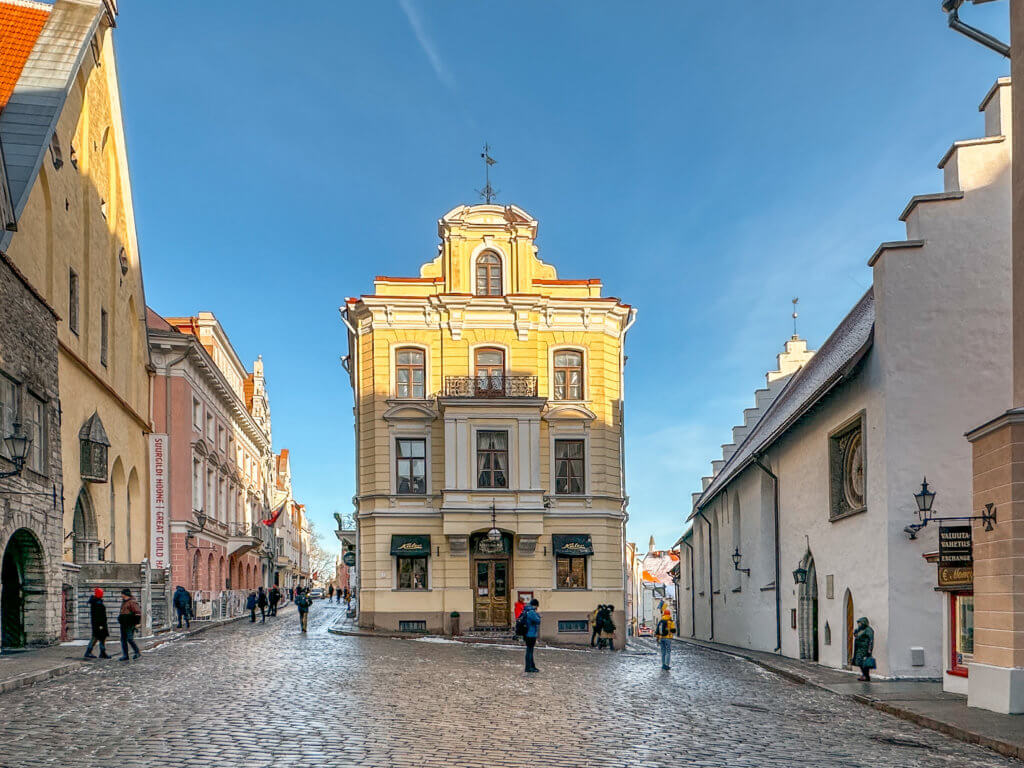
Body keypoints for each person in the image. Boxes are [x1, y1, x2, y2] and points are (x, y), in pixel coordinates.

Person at [84, 588, 110, 659]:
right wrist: (101, 625)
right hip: (99, 624)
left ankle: (102, 652)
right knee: (98, 638)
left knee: (99, 638)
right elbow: (99, 616)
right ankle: (95, 652)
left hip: (98, 624)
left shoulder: (96, 602)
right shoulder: (97, 603)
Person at [117, 588, 141, 661]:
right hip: (123, 624)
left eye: (122, 593)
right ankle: (125, 655)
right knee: (123, 640)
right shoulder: (124, 602)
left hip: (130, 624)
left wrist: (137, 623)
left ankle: (137, 652)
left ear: (125, 594)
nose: (121, 595)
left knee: (129, 639)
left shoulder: (132, 602)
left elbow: (137, 613)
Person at [852, 616, 875, 681]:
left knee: (864, 663)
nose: (858, 624)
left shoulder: (868, 629)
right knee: (860, 663)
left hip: (864, 649)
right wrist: (855, 633)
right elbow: (857, 636)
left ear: (863, 622)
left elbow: (871, 640)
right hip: (859, 649)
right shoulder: (860, 629)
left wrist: (869, 649)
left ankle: (866, 676)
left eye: (859, 623)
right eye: (858, 623)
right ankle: (864, 675)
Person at [523, 598, 541, 673]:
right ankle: (528, 667)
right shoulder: (531, 612)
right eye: (537, 606)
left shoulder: (527, 610)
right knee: (529, 651)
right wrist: (538, 616)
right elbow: (538, 621)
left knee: (529, 651)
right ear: (535, 605)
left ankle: (532, 666)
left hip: (528, 633)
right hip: (531, 634)